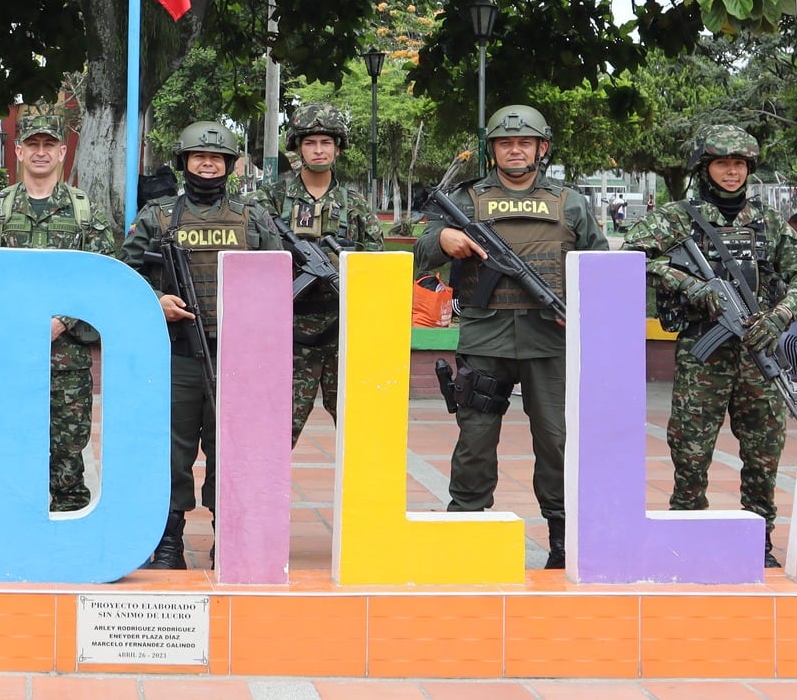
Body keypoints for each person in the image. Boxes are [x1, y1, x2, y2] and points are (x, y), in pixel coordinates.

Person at [415, 104, 605, 570]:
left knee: (556, 442)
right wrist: (444, 241)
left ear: (542, 148)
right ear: (492, 150)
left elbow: (600, 265)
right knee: (475, 439)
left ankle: (563, 540)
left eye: (524, 143)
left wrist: (581, 311)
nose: (514, 150)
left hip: (550, 343)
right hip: (486, 340)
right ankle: (467, 530)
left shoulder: (571, 202)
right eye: (505, 143)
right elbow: (420, 248)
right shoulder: (466, 199)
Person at [626, 126, 797, 568]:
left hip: (759, 350)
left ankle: (760, 539)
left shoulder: (769, 222)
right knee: (690, 449)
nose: (731, 172)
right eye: (722, 164)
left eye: (739, 165)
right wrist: (692, 287)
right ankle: (686, 533)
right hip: (704, 352)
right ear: (704, 167)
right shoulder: (677, 218)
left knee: (764, 449)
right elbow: (633, 254)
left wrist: (780, 317)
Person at [121, 121, 286, 570]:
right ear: (185, 163)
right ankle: (169, 541)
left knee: (231, 447)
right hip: (176, 352)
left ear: (229, 165)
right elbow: (124, 275)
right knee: (172, 448)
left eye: (216, 158)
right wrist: (157, 300)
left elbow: (280, 276)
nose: (207, 163)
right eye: (198, 157)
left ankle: (228, 535)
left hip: (236, 356)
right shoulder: (156, 216)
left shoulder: (253, 218)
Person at [0, 107, 116, 512]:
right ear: (18, 151)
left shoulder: (85, 213)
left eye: (48, 145)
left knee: (68, 456)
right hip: (12, 356)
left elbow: (103, 273)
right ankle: (9, 541)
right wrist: (16, 320)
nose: (40, 152)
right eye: (32, 144)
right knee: (9, 448)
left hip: (67, 359)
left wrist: (62, 320)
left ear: (61, 153)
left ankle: (69, 540)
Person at [260, 103, 385, 446]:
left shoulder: (354, 203)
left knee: (358, 430)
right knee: (276, 435)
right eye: (310, 142)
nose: (318, 150)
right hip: (286, 333)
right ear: (298, 147)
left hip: (341, 332)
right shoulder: (269, 198)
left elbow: (377, 263)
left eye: (326, 143)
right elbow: (249, 256)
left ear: (338, 148)